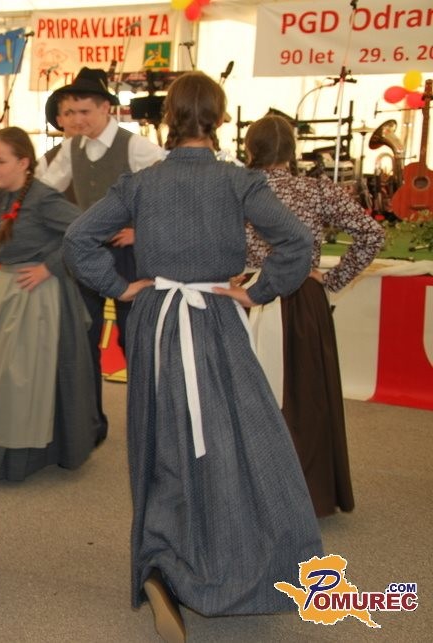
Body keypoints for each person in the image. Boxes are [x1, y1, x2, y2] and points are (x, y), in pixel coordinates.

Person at [63, 71, 323, 643]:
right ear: (222, 120)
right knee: (240, 439)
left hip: (156, 320)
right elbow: (297, 243)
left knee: (164, 439)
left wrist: (122, 287)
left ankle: (164, 562)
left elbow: (78, 239)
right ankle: (229, 565)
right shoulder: (240, 181)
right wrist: (257, 291)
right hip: (215, 317)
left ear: (168, 119)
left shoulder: (141, 183)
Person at [244, 114, 384, 518]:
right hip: (302, 299)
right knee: (305, 399)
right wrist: (333, 278)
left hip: (246, 296)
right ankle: (307, 493)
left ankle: (248, 491)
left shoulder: (237, 189)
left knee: (246, 398)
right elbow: (372, 233)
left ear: (250, 149)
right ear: (292, 151)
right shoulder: (317, 189)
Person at [37, 67, 165, 443]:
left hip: (130, 258)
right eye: (70, 112)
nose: (77, 120)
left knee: (134, 342)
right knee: (85, 339)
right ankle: (91, 425)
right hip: (87, 256)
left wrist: (141, 231)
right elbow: (47, 188)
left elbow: (169, 190)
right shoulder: (70, 149)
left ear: (106, 108)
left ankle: (150, 427)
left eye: (85, 111)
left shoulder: (136, 146)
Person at [0, 126, 100, 482]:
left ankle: (19, 456)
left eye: (1, 161)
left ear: (24, 163)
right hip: (8, 294)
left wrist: (50, 267)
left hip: (34, 300)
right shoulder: (6, 195)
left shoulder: (43, 198)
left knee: (21, 380)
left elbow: (85, 231)